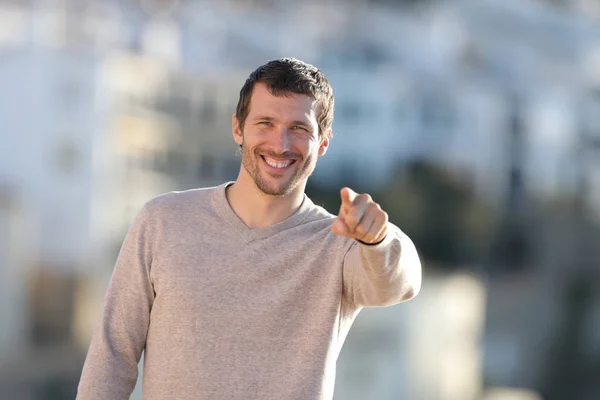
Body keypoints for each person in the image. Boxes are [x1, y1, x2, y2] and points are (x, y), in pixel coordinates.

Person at [76, 57, 422, 400]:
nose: (280, 144)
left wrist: (378, 238)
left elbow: (400, 285)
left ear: (324, 142)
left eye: (299, 129)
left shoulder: (339, 245)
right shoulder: (163, 220)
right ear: (238, 128)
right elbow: (112, 354)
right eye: (265, 123)